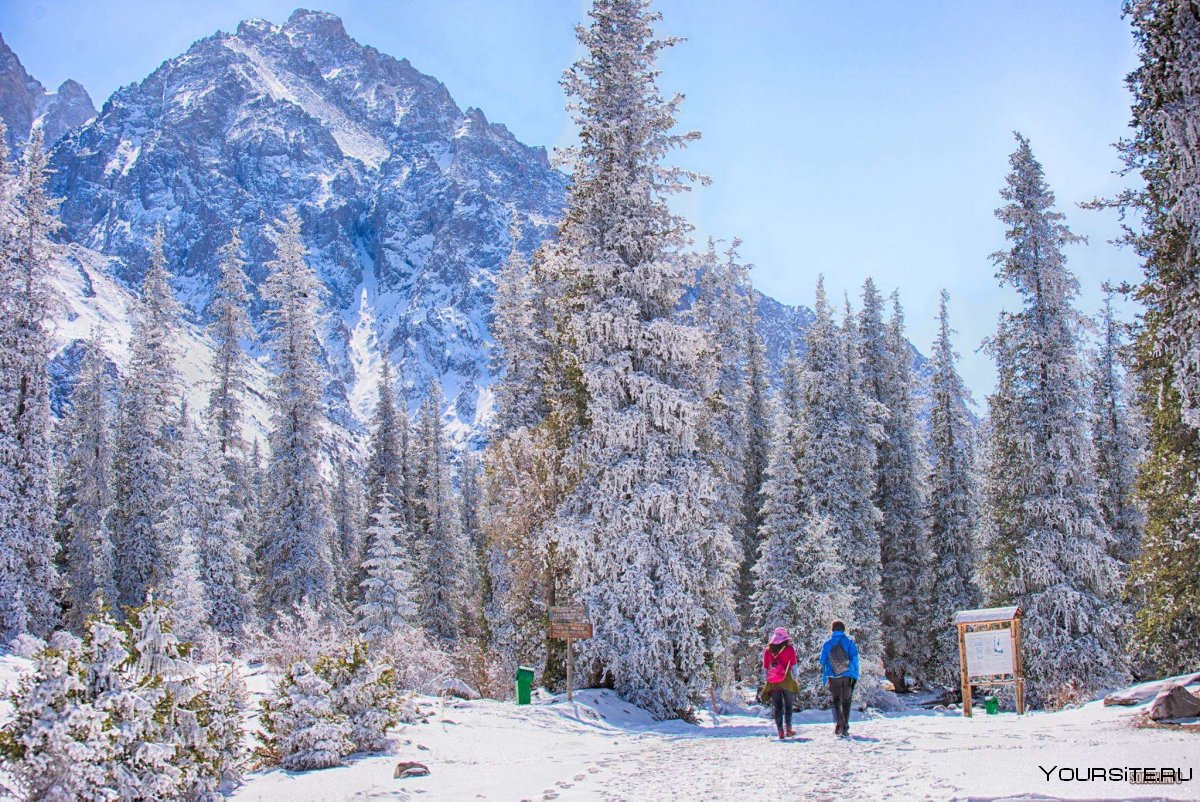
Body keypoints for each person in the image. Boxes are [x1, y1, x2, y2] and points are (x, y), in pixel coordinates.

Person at [819, 620, 859, 737]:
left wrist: (828, 672)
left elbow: (822, 661)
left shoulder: (827, 644)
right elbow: (854, 659)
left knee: (836, 701)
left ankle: (839, 723)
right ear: (843, 630)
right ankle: (845, 725)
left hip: (833, 676)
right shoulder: (849, 642)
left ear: (832, 630)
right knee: (847, 701)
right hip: (848, 675)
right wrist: (855, 673)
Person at [761, 627, 799, 740]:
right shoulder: (790, 649)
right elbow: (794, 666)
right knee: (788, 706)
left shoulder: (768, 650)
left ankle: (780, 731)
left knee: (777, 707)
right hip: (787, 680)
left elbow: (765, 668)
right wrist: (795, 679)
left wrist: (767, 681)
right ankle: (788, 729)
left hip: (773, 682)